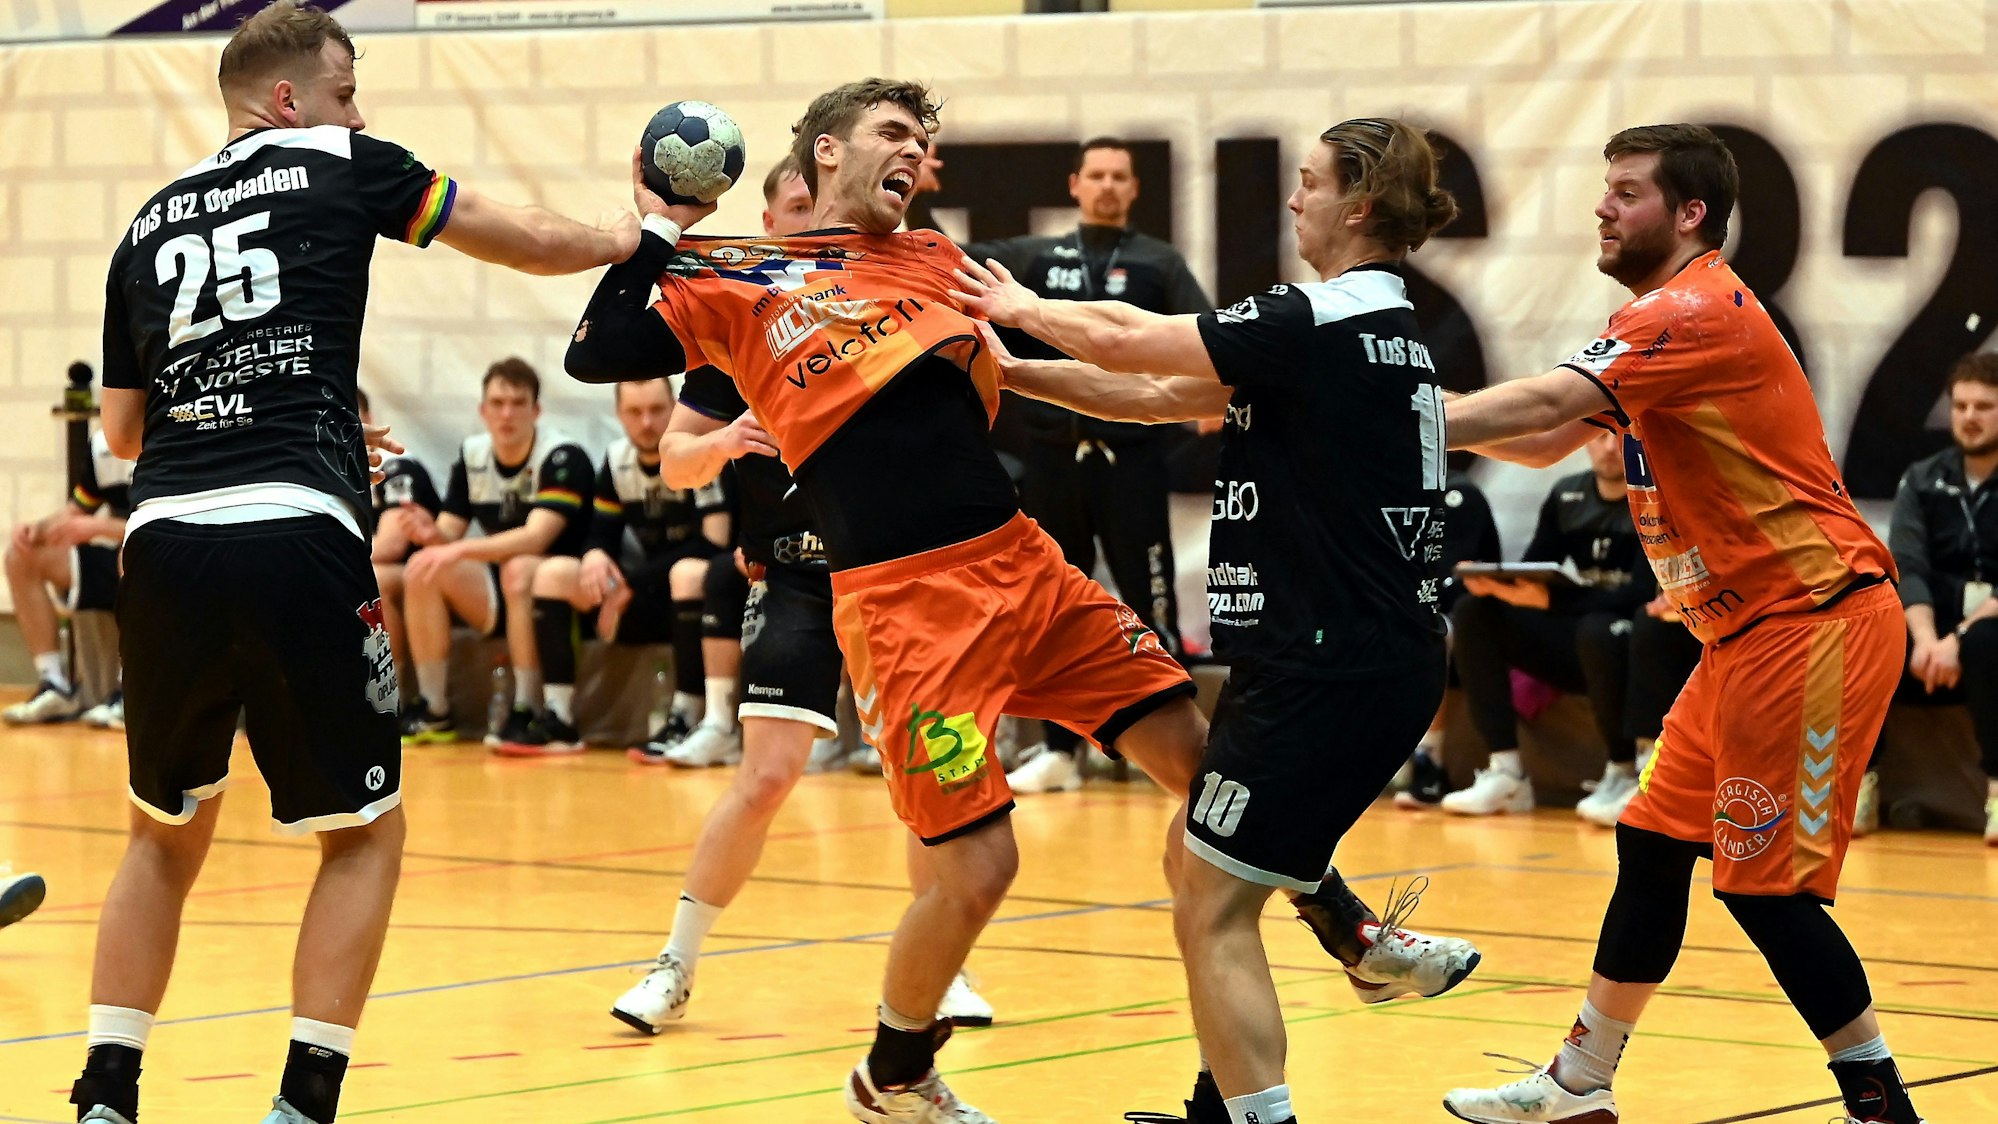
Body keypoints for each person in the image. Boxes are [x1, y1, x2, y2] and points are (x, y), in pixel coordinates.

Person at [569, 83, 1470, 1124]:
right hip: (907, 608)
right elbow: (598, 351)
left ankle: (1353, 935)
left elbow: (1097, 362)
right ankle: (891, 1075)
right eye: (894, 134)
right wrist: (657, 229)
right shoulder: (739, 272)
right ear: (825, 151)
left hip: (1026, 568)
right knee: (980, 866)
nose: (917, 153)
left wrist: (1029, 344)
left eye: (925, 139)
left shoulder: (936, 263)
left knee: (1207, 763)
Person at [77, 5, 636, 1124]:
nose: (359, 110)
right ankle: (302, 1103)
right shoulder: (344, 162)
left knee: (163, 830)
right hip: (296, 530)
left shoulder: (145, 224)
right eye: (344, 89)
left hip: (169, 540)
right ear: (288, 101)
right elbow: (519, 235)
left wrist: (292, 412)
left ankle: (106, 1094)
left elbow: (125, 434)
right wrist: (630, 240)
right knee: (363, 831)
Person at [955, 115, 1477, 1124]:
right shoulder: (1371, 323)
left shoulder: (1316, 316)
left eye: (1311, 181)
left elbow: (1125, 335)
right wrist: (1008, 370)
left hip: (1333, 665)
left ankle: (1258, 1112)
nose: (1293, 199)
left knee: (1215, 897)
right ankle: (1277, 1037)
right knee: (1194, 865)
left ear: (1358, 205)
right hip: (1338, 657)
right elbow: (1153, 391)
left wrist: (1017, 302)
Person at [1438, 124, 1922, 1124]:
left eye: (1626, 191)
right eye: (1603, 190)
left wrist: (1369, 407)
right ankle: (1579, 1083)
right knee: (1653, 844)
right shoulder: (1654, 324)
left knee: (1765, 890)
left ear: (1689, 212)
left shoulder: (1691, 309)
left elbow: (1541, 396)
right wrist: (1391, 408)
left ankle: (1882, 1107)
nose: (1603, 208)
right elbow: (1540, 437)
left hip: (1815, 621)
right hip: (1742, 638)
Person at [606, 154, 994, 1035]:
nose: (816, 225)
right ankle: (675, 963)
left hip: (898, 575)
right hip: (795, 574)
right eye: (798, 209)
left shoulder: (887, 311)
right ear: (774, 222)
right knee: (768, 773)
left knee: (926, 770)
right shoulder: (732, 328)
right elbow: (673, 461)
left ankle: (947, 966)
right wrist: (728, 441)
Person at [963, 137, 1213, 795]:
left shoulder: (1160, 262)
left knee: (1150, 600)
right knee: (1046, 602)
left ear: (1133, 190)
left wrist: (1207, 396)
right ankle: (1057, 752)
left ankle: (1172, 740)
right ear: (1074, 185)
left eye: (1118, 177)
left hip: (1131, 462)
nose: (1106, 185)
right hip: (1052, 463)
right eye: (1095, 175)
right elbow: (954, 267)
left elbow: (1206, 332)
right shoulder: (1035, 257)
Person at [496, 376, 730, 755]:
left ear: (675, 409)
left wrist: (631, 584)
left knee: (686, 572)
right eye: (635, 412)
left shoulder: (699, 453)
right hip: (641, 595)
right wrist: (595, 556)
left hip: (698, 594)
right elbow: (601, 531)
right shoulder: (617, 459)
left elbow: (714, 541)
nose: (647, 422)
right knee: (553, 573)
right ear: (619, 414)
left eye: (656, 410)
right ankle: (559, 716)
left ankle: (687, 715)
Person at [1443, 429, 1655, 821]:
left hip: (1632, 647)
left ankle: (1623, 772)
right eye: (1601, 437)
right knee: (1475, 611)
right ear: (1586, 441)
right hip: (1576, 645)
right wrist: (1497, 585)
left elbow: (1643, 594)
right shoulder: (1566, 495)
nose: (1610, 448)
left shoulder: (1655, 500)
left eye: (1621, 438)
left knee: (1600, 627)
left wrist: (1555, 600)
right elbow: (1534, 569)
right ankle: (1506, 773)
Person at [392, 358, 594, 747]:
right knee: (422, 565)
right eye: (498, 403)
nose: (507, 413)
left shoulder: (562, 455)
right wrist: (430, 534)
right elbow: (449, 535)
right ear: (482, 411)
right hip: (498, 588)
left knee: (518, 567)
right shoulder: (473, 455)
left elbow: (536, 538)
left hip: (557, 589)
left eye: (518, 403)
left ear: (536, 411)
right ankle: (434, 707)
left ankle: (527, 707)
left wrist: (457, 548)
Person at [1889, 350, 1998, 845]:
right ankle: (1860, 784)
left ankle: (1997, 793)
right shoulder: (1922, 477)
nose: (1970, 417)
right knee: (1868, 631)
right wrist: (1928, 640)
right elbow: (1907, 565)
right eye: (1961, 406)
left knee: (1985, 644)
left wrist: (1958, 638)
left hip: (1988, 629)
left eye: (1984, 406)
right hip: (1934, 629)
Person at [3, 429, 132, 728]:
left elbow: (172, 524)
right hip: (116, 558)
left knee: (133, 555)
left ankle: (131, 693)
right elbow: (77, 510)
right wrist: (37, 529)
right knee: (20, 556)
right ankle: (55, 684)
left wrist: (99, 528)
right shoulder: (103, 445)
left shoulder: (170, 435)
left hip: (157, 561)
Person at [1393, 469, 1501, 807]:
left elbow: (1454, 578)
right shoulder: (1382, 493)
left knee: (1431, 631)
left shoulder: (1460, 496)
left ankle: (1429, 763)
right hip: (1397, 610)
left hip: (1458, 615)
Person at [356, 385, 442, 704]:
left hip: (417, 578)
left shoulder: (394, 467)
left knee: (373, 579)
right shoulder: (317, 471)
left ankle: (391, 700)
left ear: (368, 420)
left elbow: (391, 546)